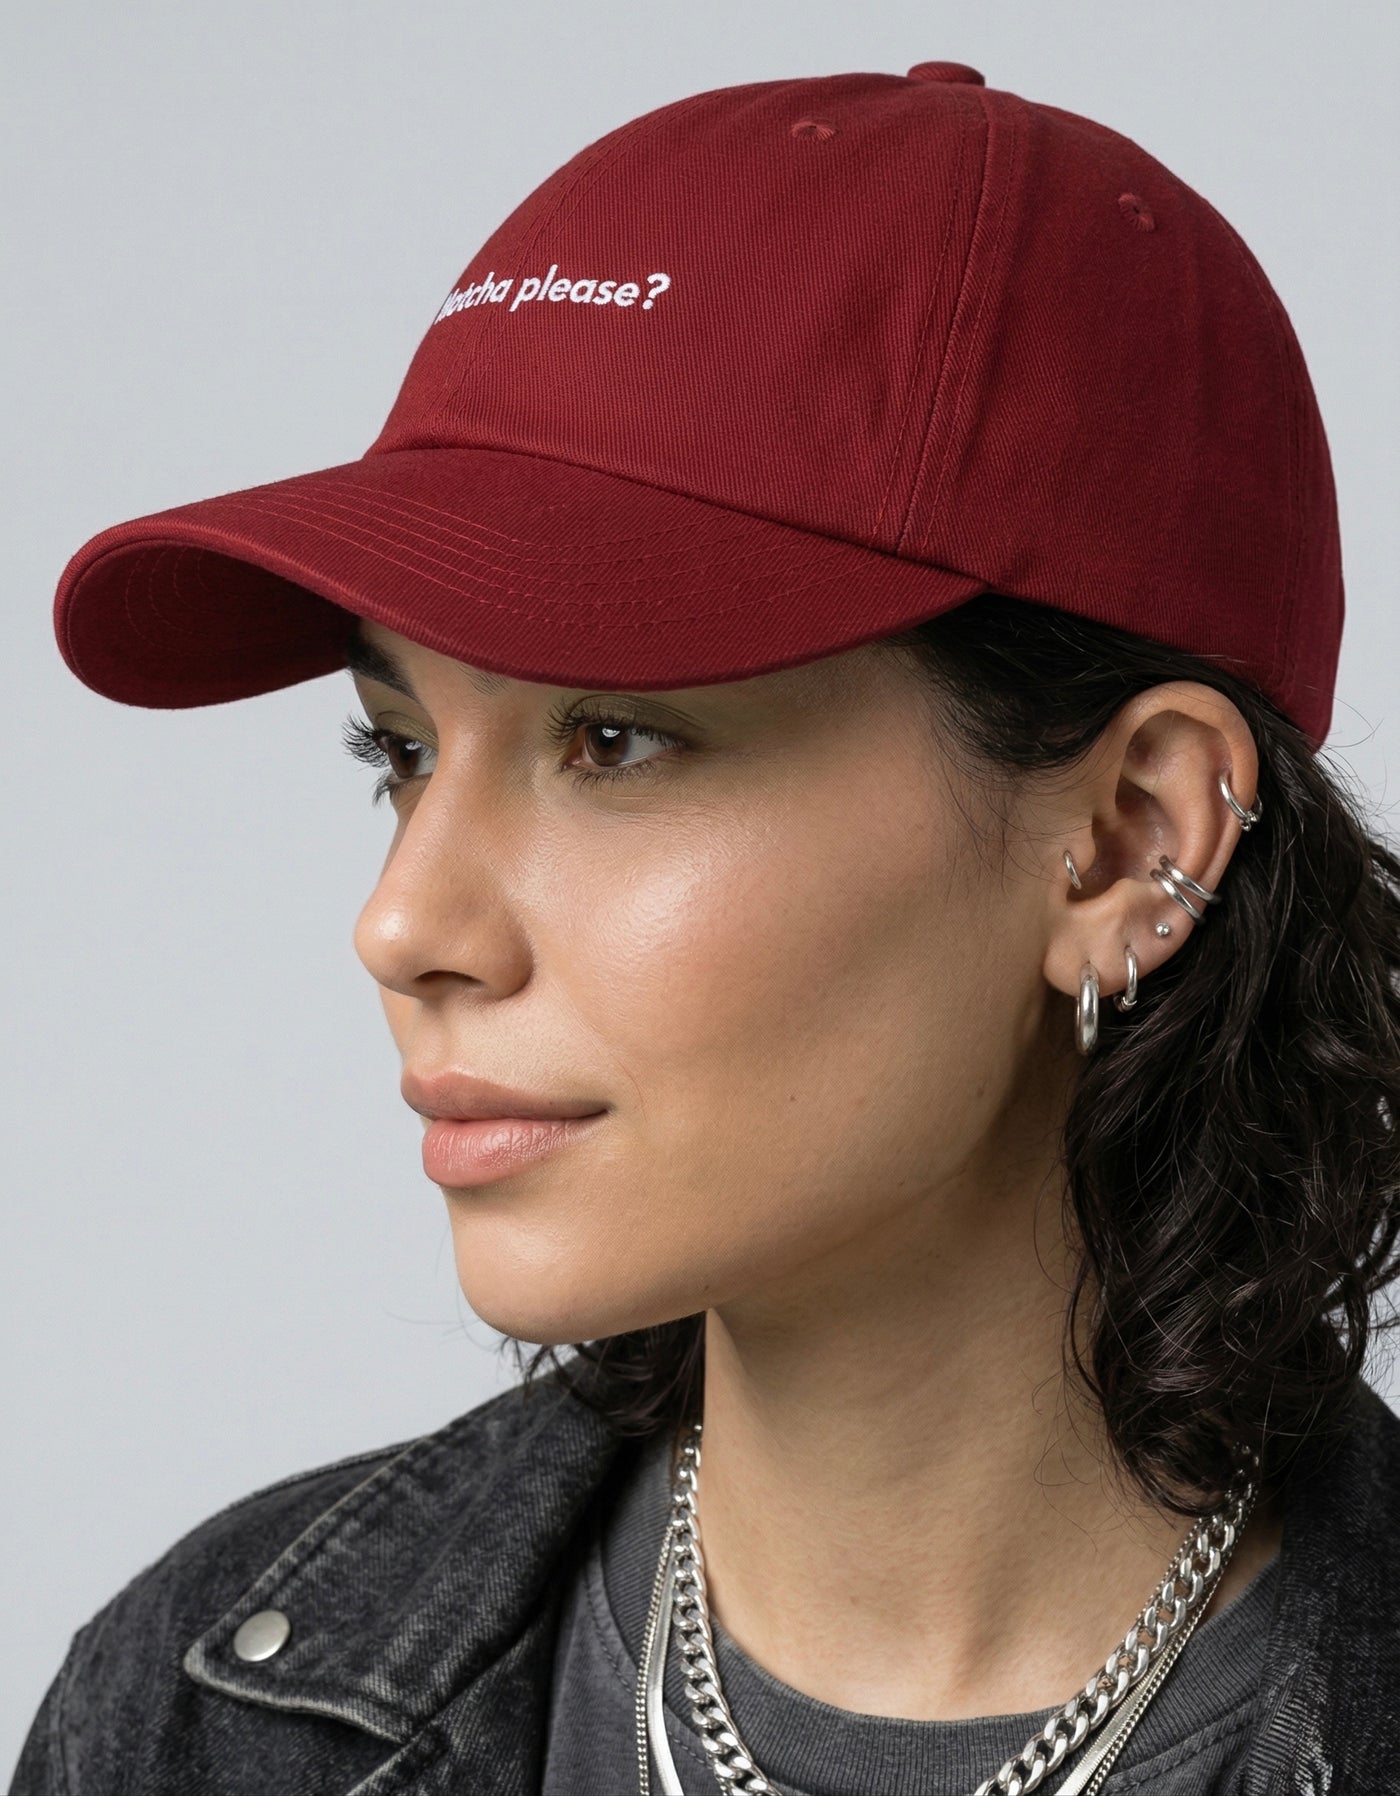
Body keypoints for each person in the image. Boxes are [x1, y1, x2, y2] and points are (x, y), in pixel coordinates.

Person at [13, 58, 1400, 1796]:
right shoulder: (202, 1723)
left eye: (614, 740)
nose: (404, 922)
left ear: (1133, 839)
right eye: (404, 750)